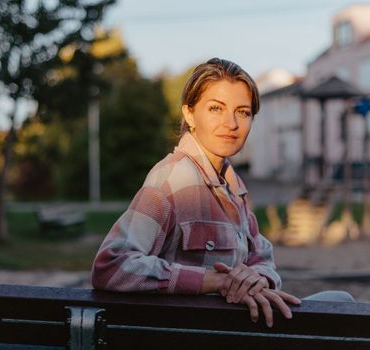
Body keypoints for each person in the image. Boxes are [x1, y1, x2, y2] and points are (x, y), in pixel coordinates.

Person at [91, 57, 349, 328]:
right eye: (216, 108)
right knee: (341, 307)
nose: (231, 124)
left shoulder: (232, 185)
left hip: (232, 328)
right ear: (190, 114)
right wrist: (215, 281)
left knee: (340, 300)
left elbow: (261, 256)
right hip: (194, 334)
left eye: (243, 112)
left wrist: (257, 279)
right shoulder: (173, 179)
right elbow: (112, 265)